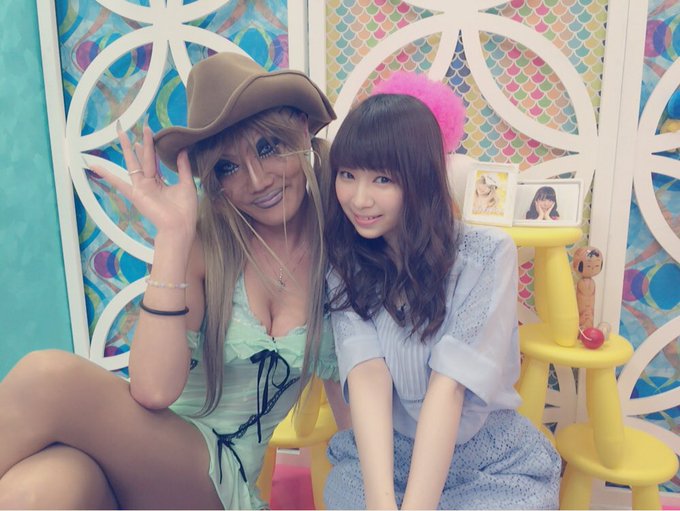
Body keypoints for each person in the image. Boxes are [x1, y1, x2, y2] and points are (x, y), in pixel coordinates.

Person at [0, 52, 349, 510]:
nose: (257, 180)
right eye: (228, 167)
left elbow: (355, 419)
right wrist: (173, 236)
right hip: (149, 463)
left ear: (302, 130)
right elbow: (153, 391)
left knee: (47, 378)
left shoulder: (343, 251)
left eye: (268, 148)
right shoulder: (205, 245)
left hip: (218, 485)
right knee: (37, 490)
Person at [322, 72, 561, 510]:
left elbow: (449, 388)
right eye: (348, 175)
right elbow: (368, 376)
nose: (358, 199)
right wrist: (381, 504)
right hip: (387, 455)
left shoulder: (486, 254)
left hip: (486, 460)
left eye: (383, 179)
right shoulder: (346, 262)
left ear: (422, 179)